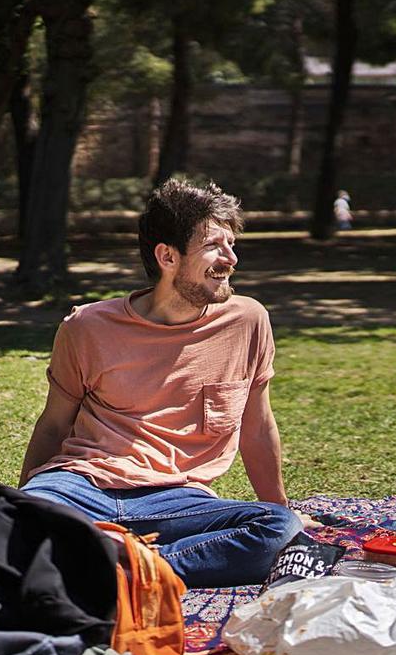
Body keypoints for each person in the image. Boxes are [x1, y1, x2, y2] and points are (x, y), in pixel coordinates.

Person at [19, 179, 307, 589]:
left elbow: (257, 427)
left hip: (176, 499)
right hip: (81, 484)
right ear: (167, 256)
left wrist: (281, 507)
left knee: (278, 530)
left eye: (232, 245)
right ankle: (133, 567)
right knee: (10, 525)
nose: (231, 259)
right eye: (215, 246)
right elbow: (53, 425)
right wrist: (23, 503)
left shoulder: (248, 321)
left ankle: (111, 569)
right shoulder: (88, 326)